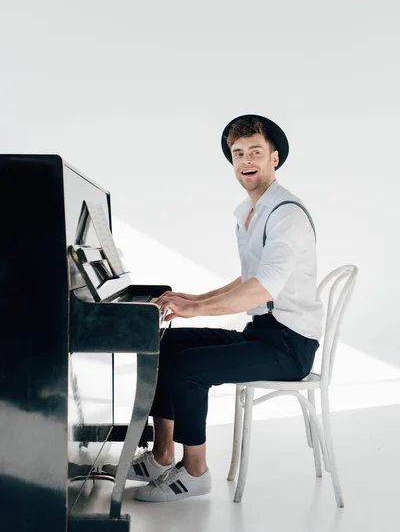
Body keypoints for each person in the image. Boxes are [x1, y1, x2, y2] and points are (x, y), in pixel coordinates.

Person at [115, 114, 323, 502]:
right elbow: (248, 279)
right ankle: (162, 457)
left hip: (290, 347)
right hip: (264, 335)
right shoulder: (250, 212)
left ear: (274, 158)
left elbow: (261, 289)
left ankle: (196, 473)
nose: (246, 160)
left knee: (190, 369)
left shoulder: (286, 215)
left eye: (255, 152)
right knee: (164, 347)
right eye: (238, 153)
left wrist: (199, 311)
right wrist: (193, 299)